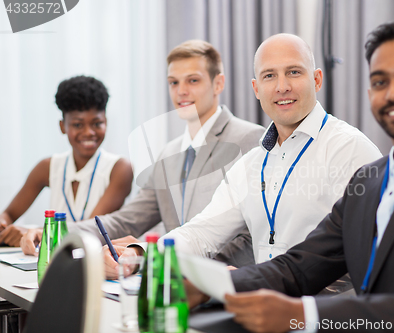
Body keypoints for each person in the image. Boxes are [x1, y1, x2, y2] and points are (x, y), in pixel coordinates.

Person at [190, 22, 394, 332]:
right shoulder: (370, 180)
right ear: (370, 94)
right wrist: (214, 285)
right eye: (381, 82)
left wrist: (303, 314)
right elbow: (300, 266)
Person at [106, 33, 381, 277]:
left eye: (294, 72)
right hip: (264, 311)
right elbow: (202, 232)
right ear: (256, 89)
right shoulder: (253, 162)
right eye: (269, 75)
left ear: (317, 79)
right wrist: (139, 253)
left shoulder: (350, 149)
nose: (282, 86)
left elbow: (369, 253)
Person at [21, 40, 266, 268]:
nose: (181, 91)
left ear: (218, 83)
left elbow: (252, 233)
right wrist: (55, 231)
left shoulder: (250, 139)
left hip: (225, 285)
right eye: (173, 82)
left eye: (193, 80)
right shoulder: (168, 154)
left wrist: (171, 264)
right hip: (169, 282)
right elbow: (126, 220)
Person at [0, 76, 133, 247]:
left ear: (106, 122)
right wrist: (4, 224)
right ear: (62, 127)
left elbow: (91, 230)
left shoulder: (120, 169)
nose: (89, 132)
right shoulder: (47, 167)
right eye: (78, 125)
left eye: (97, 123)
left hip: (98, 262)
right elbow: (9, 214)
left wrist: (31, 232)